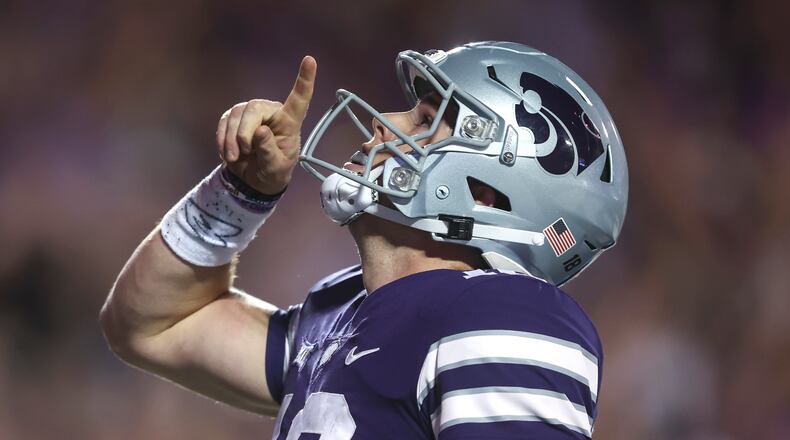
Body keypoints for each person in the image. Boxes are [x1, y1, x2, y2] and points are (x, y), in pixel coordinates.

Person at [101, 41, 628, 439]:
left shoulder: (507, 315)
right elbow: (153, 324)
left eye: (426, 119)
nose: (388, 124)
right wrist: (242, 192)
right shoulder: (340, 313)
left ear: (487, 194)